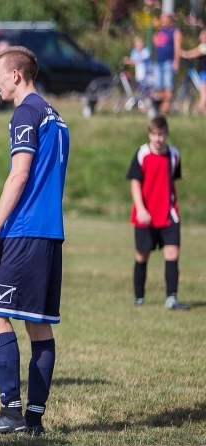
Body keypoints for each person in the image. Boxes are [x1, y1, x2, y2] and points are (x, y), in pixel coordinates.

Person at [0, 46, 69, 438]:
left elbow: (19, 175)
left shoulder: (25, 112)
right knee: (39, 328)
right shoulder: (56, 117)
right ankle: (35, 419)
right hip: (50, 233)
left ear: (16, 76)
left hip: (24, 231)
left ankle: (10, 411)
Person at [127, 116, 189, 311]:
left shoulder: (174, 155)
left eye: (161, 134)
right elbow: (135, 182)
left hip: (169, 213)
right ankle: (139, 297)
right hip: (145, 214)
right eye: (154, 134)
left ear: (166, 134)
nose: (158, 138)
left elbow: (171, 180)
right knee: (142, 255)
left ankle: (171, 298)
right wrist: (141, 208)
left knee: (172, 253)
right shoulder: (142, 154)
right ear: (149, 134)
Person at [153, 11, 183, 115]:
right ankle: (161, 106)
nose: (163, 20)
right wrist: (157, 29)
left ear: (170, 19)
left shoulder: (175, 31)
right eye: (162, 18)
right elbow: (155, 42)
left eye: (165, 18)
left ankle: (165, 108)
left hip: (168, 62)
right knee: (158, 87)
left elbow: (177, 47)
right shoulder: (160, 31)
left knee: (168, 86)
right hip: (158, 62)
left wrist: (176, 61)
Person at [180, 28, 206, 114]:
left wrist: (180, 52)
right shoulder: (202, 46)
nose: (202, 36)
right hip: (202, 72)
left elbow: (191, 54)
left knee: (203, 91)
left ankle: (199, 110)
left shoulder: (204, 47)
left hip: (204, 72)